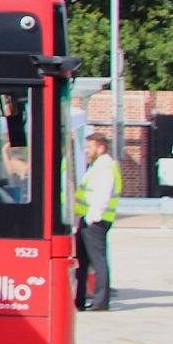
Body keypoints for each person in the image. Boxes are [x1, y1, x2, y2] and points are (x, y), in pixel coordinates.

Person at [76, 132, 121, 311]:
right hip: (88, 220)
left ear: (100, 148)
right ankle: (79, 299)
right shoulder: (97, 166)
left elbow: (102, 196)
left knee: (97, 261)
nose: (86, 151)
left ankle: (101, 301)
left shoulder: (105, 168)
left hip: (96, 221)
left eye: (89, 147)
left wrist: (91, 218)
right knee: (83, 261)